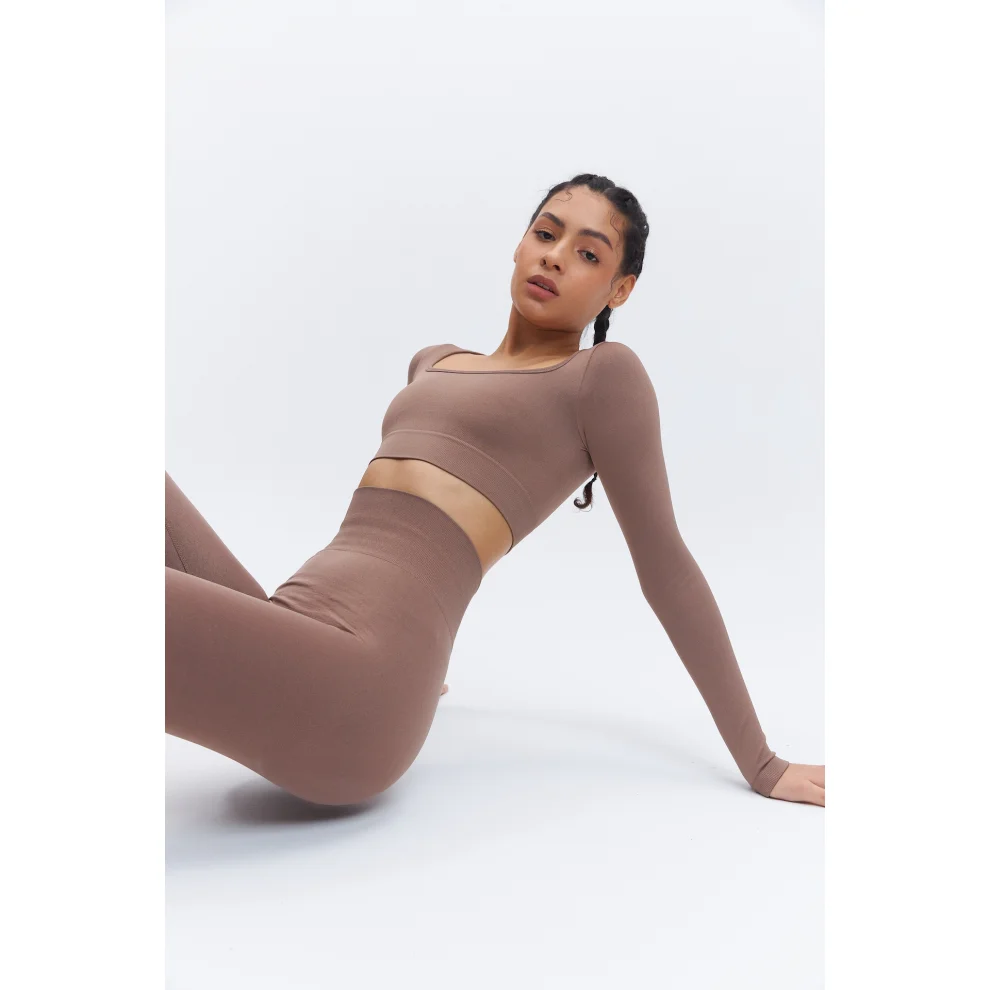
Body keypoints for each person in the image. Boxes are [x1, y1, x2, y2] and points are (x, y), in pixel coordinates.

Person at [166, 173, 825, 808]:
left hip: (360, 689)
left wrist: (761, 762)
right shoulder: (433, 362)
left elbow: (667, 569)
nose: (556, 257)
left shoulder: (599, 378)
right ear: (519, 244)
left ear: (619, 290)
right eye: (547, 233)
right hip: (294, 637)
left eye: (589, 254)